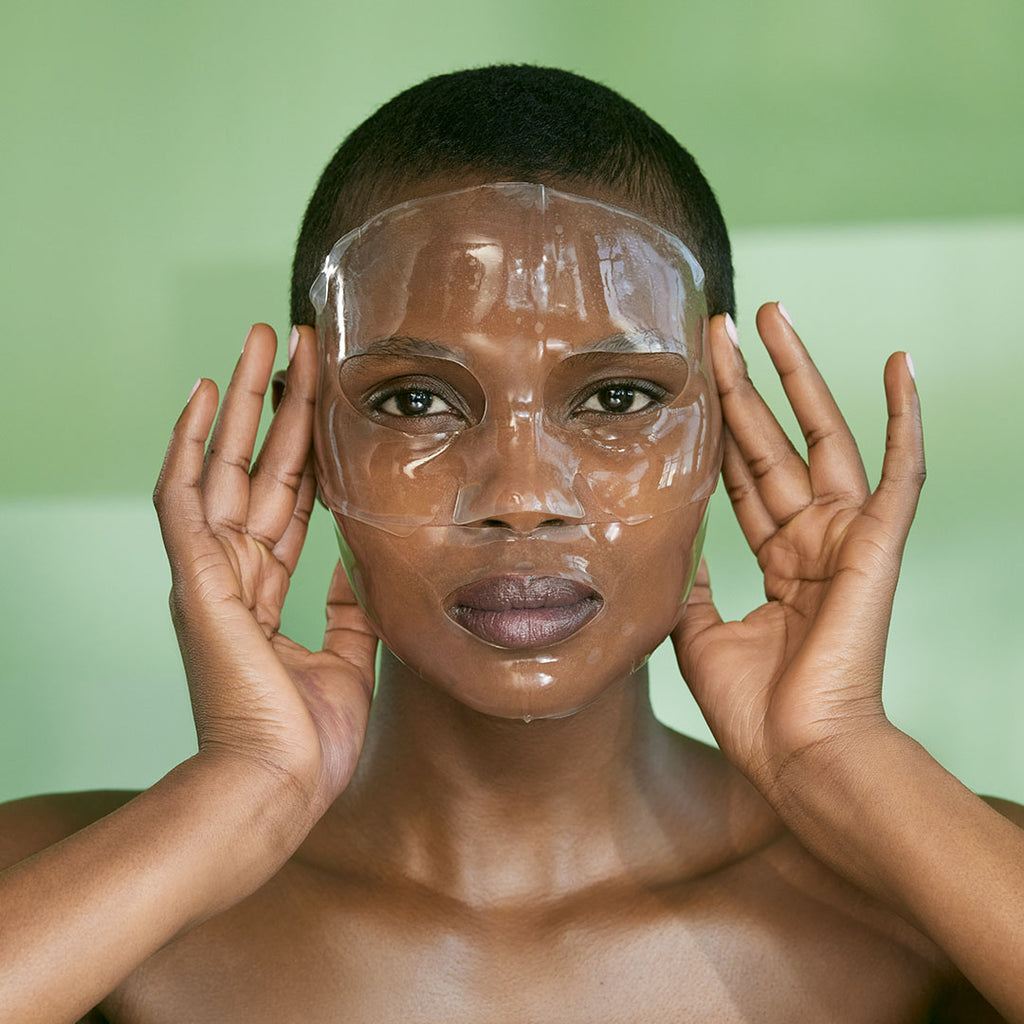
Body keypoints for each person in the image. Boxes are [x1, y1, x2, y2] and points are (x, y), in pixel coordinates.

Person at [1, 65, 1021, 1023]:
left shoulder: (946, 890)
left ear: (726, 427)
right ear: (304, 439)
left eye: (618, 396)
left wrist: (847, 759)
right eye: (414, 399)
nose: (524, 497)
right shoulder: (60, 880)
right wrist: (238, 794)